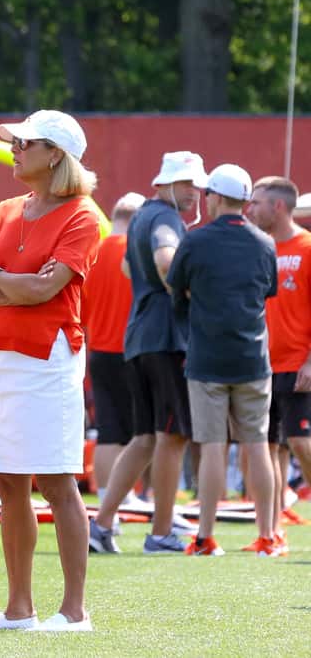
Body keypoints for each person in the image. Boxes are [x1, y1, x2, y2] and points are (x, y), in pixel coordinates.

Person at [0, 109, 99, 631]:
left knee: (57, 482)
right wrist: (8, 278)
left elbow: (44, 290)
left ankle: (74, 612)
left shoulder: (81, 215)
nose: (13, 147)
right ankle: (19, 610)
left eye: (24, 142)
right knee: (7, 482)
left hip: (49, 358)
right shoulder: (6, 208)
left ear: (55, 154)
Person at [89, 151, 206, 555]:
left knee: (143, 438)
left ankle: (102, 524)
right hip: (166, 337)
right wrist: (196, 297)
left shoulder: (141, 216)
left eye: (198, 184)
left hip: (139, 335)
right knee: (171, 436)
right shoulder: (164, 218)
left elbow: (127, 268)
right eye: (188, 183)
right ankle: (160, 533)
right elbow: (164, 259)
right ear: (165, 184)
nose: (196, 192)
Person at [165, 164, 277, 556]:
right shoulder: (265, 243)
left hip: (207, 357)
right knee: (258, 444)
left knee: (213, 446)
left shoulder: (195, 242)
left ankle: (205, 537)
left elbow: (176, 292)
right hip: (252, 358)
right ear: (246, 202)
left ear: (214, 196)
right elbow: (266, 293)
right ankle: (268, 536)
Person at [246, 176, 311, 555]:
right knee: (266, 447)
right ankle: (270, 532)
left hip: (297, 365)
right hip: (258, 364)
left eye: (257, 203)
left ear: (279, 207)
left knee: (301, 443)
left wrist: (309, 361)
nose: (250, 209)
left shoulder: (306, 246)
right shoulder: (259, 247)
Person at [82, 193, 144, 506]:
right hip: (134, 349)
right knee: (140, 431)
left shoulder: (92, 253)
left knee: (108, 429)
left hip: (99, 351)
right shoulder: (138, 252)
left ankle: (109, 496)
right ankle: (127, 494)